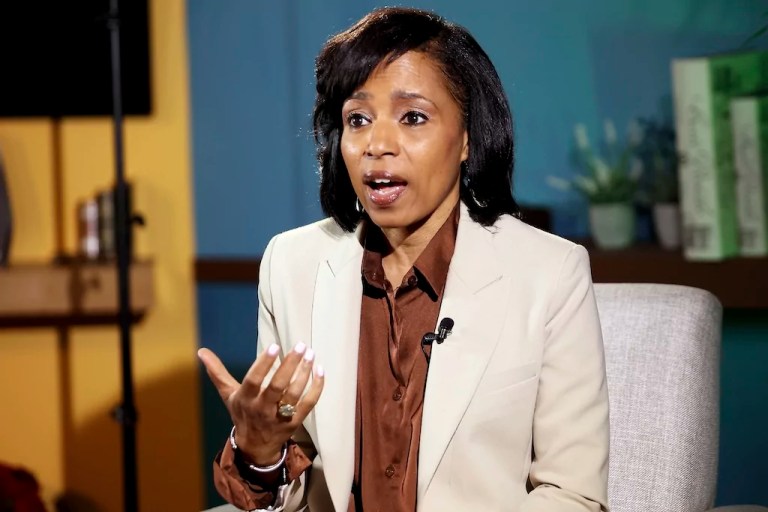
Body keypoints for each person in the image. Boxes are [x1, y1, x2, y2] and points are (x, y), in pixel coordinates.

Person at [198, 6, 609, 512]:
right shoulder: (292, 265)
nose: (378, 144)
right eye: (358, 119)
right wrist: (260, 451)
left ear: (467, 138)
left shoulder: (549, 273)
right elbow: (292, 496)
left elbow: (572, 495)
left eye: (412, 117)